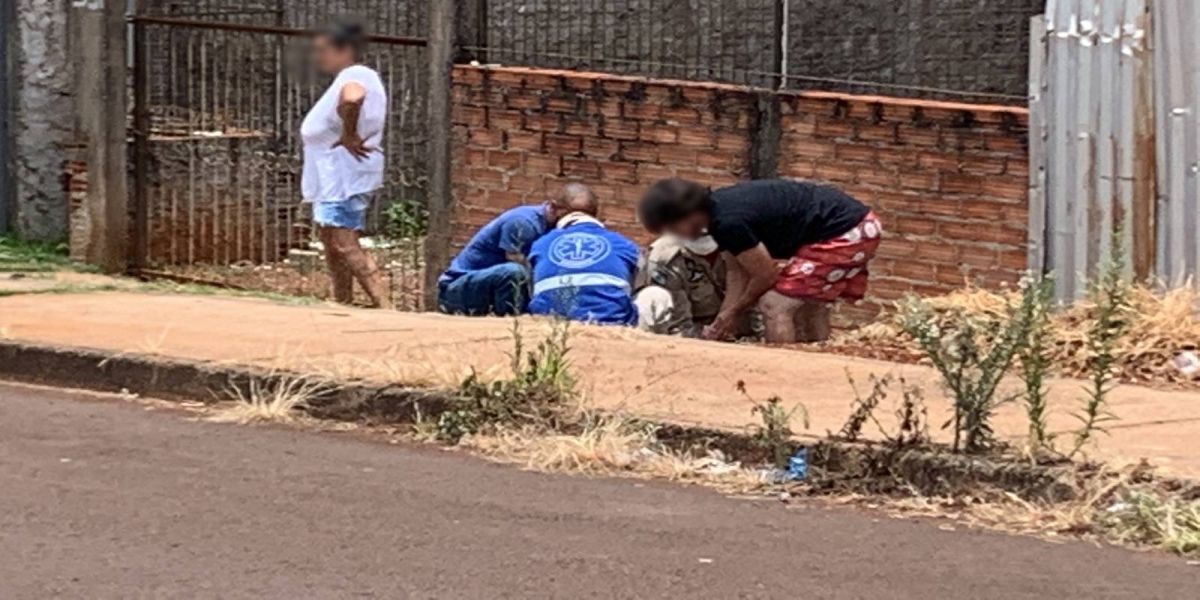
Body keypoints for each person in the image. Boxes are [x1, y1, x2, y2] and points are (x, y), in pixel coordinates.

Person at [638, 178, 881, 344]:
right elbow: (737, 273)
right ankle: (817, 359)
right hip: (854, 225)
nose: (675, 235)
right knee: (807, 305)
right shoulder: (719, 212)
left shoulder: (727, 223)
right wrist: (722, 320)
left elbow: (766, 274)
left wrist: (735, 311)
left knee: (774, 305)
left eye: (673, 228)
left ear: (688, 215)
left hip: (846, 232)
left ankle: (782, 375)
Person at [300, 20, 391, 308]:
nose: (318, 57)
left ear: (345, 50)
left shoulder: (356, 74)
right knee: (331, 242)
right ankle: (342, 300)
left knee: (344, 242)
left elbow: (352, 99)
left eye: (324, 50)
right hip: (333, 176)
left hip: (343, 176)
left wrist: (348, 133)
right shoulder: (350, 76)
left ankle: (385, 305)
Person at [438, 184, 594, 316]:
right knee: (514, 272)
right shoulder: (523, 222)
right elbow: (520, 266)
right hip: (457, 290)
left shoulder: (558, 230)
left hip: (494, 289)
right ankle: (510, 321)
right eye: (571, 216)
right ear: (553, 208)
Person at [528, 198, 640, 326]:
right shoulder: (625, 244)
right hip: (612, 325)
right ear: (597, 213)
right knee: (651, 293)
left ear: (555, 210)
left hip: (548, 325)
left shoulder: (540, 244)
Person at [633, 233, 727, 337]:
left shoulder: (734, 236)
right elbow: (677, 327)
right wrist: (708, 334)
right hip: (698, 329)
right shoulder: (666, 259)